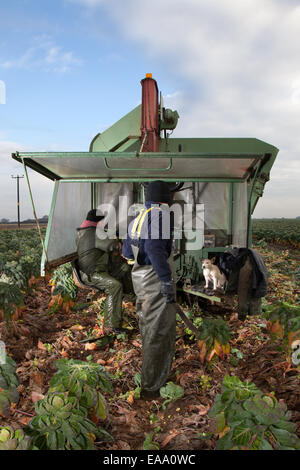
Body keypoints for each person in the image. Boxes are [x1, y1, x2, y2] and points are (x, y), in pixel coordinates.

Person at [122, 181, 177, 399]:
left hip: (140, 280)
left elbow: (127, 252)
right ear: (165, 197)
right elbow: (155, 248)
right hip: (154, 281)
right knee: (159, 332)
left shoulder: (139, 217)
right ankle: (151, 386)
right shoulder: (160, 215)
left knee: (148, 327)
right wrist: (165, 280)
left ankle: (150, 376)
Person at [76, 209, 130, 333]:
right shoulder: (93, 233)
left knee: (125, 268)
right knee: (114, 286)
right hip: (93, 274)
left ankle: (131, 301)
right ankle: (111, 326)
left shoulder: (84, 231)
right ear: (99, 222)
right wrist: (118, 240)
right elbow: (112, 246)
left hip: (96, 269)